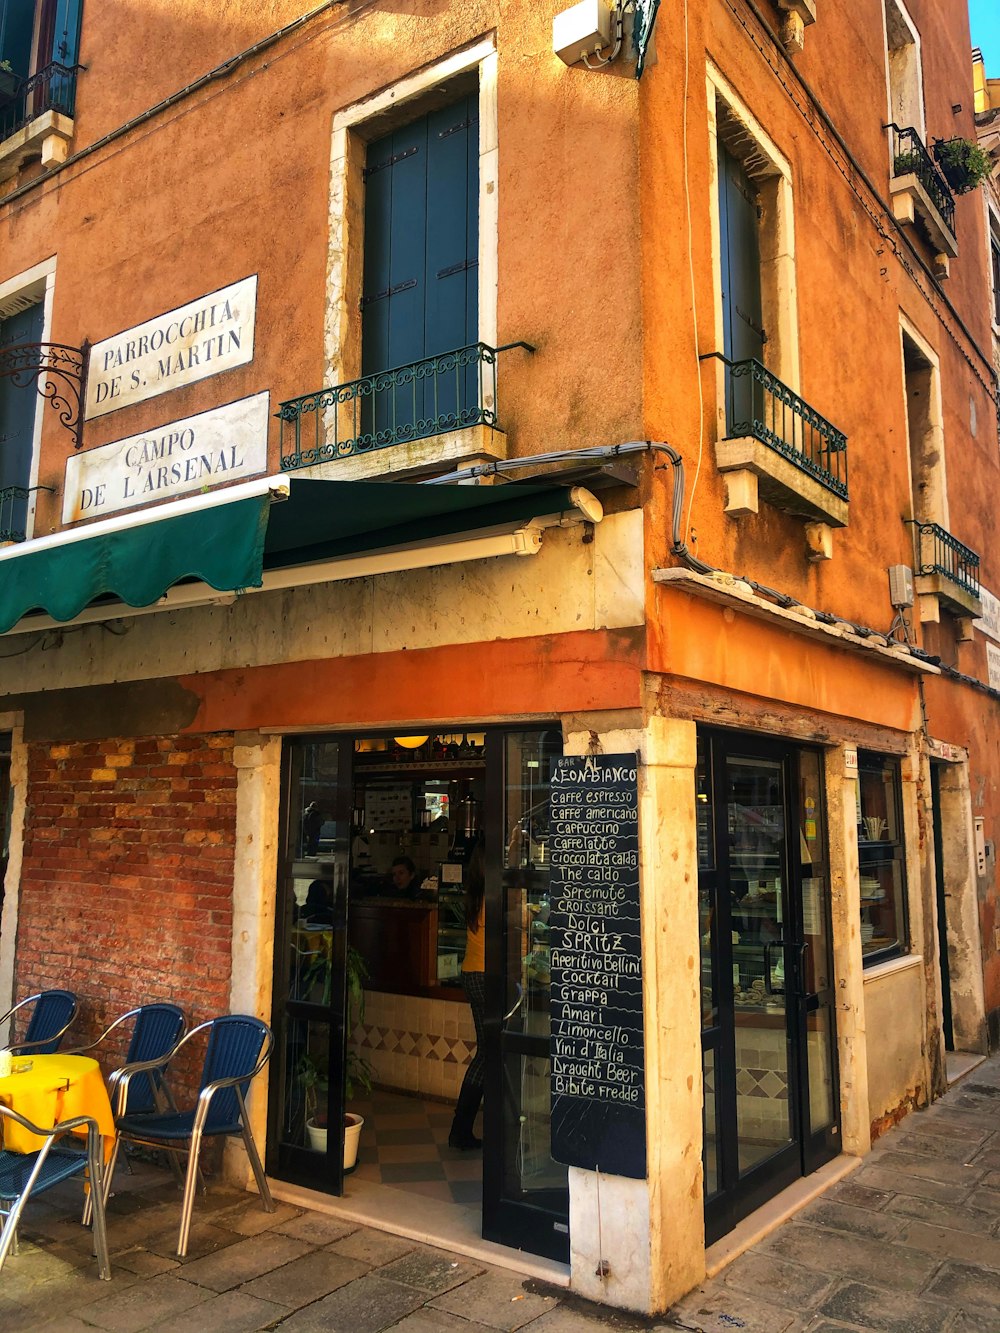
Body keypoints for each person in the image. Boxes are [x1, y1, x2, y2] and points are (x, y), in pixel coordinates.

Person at [449, 840, 485, 1151]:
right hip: (488, 978)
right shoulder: (494, 895)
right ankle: (460, 1129)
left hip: (473, 974)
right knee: (488, 1054)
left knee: (489, 1052)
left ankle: (462, 1129)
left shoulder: (475, 892)